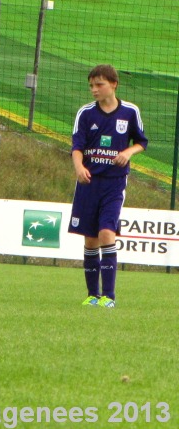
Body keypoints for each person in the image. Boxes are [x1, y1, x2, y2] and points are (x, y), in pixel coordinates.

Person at [70, 64, 147, 309]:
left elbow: (142, 142)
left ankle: (109, 296)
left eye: (99, 85)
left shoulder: (130, 111)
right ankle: (93, 295)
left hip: (114, 184)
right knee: (90, 240)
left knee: (106, 233)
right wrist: (79, 167)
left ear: (113, 84)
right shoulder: (86, 113)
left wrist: (128, 152)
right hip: (88, 183)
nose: (94, 89)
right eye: (91, 85)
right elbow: (77, 147)